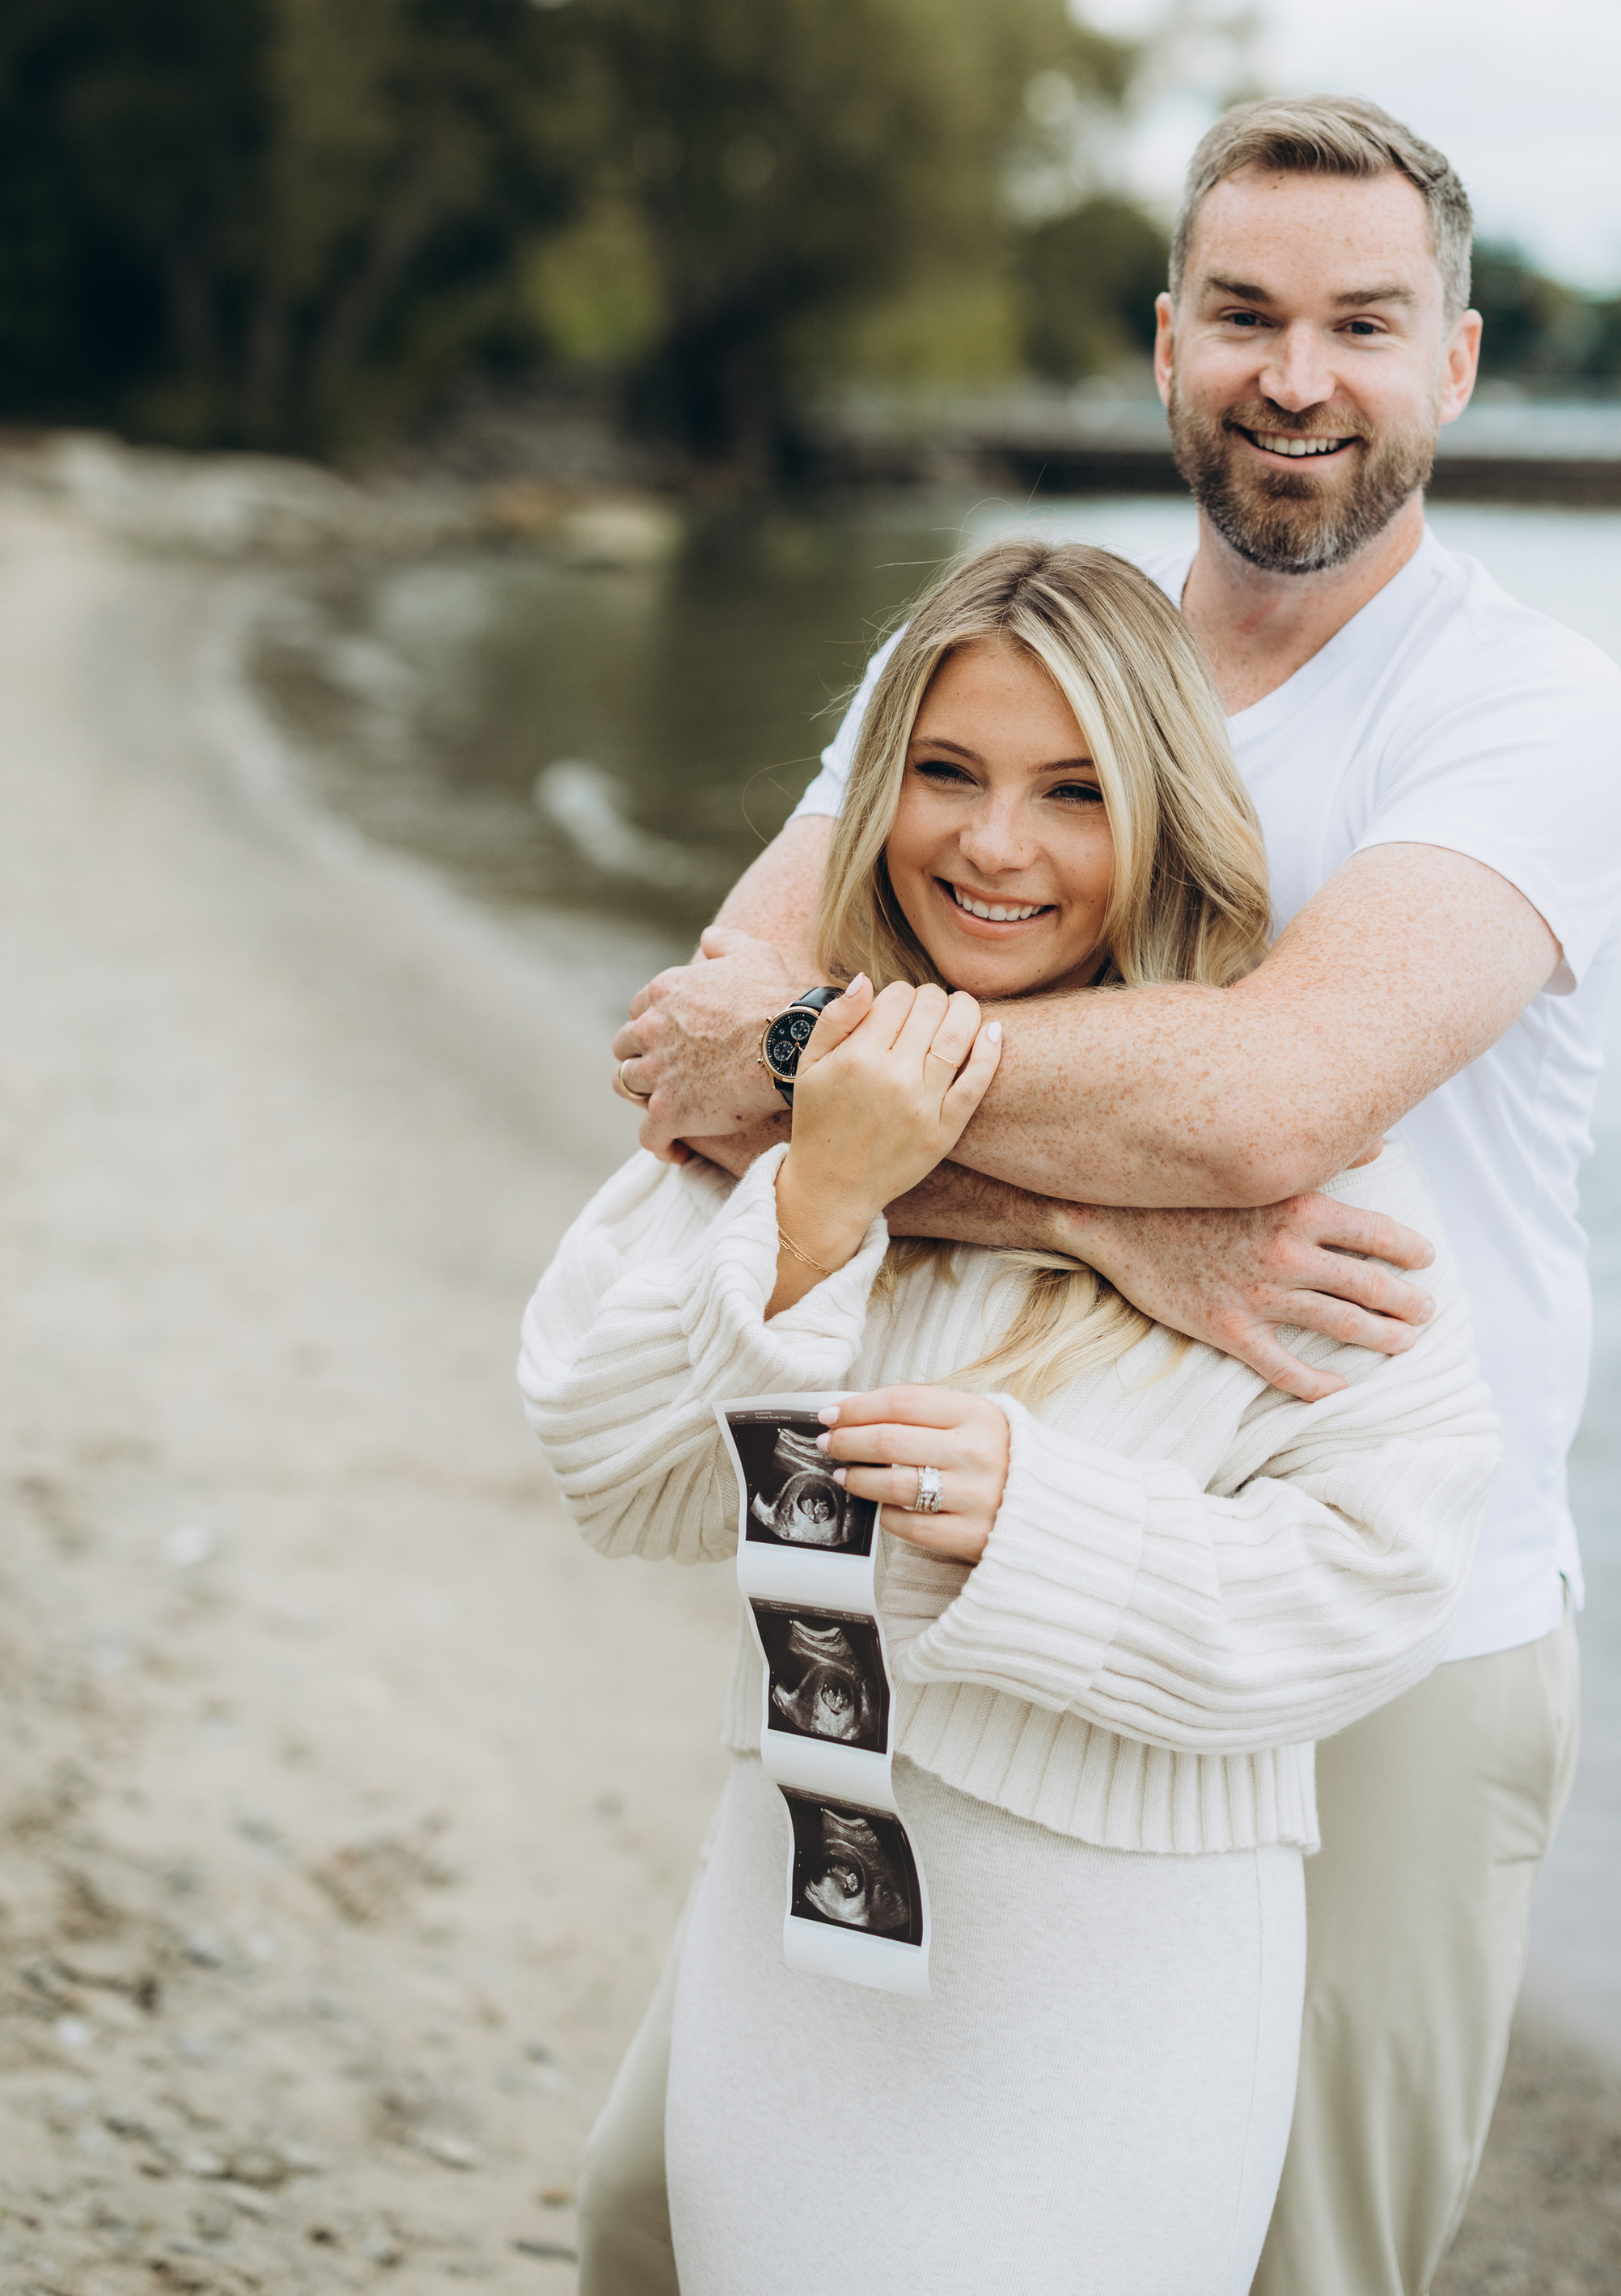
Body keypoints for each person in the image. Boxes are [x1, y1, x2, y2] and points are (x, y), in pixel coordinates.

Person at [595, 94, 1621, 2296]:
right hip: (958, 1567)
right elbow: (703, 1055)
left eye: (1366, 324)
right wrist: (1097, 1215)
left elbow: (1267, 1105)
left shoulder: (1529, 710)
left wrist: (858, 1098)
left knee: (1288, 2263)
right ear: (1167, 345)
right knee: (670, 2218)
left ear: (1453, 367)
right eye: (1247, 313)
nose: (1299, 374)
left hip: (1383, 1609)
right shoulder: (1004, 665)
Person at [521, 538, 1501, 2296]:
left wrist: (1038, 1527)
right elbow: (613, 1476)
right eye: (946, 774)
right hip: (793, 1936)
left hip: (1115, 1995)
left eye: (1071, 793)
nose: (993, 846)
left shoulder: (1283, 1189)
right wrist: (819, 1215)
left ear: (1163, 817)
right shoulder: (792, 1126)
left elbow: (1377, 1579)